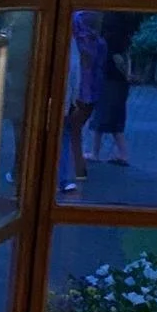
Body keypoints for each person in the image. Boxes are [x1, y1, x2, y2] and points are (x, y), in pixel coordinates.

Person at [59, 10, 106, 188]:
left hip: (77, 94)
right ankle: (78, 171)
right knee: (75, 133)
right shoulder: (100, 43)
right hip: (92, 95)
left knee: (70, 133)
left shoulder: (77, 44)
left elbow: (75, 72)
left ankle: (74, 172)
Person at [88, 11, 141, 166]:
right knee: (114, 117)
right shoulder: (125, 38)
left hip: (110, 80)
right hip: (119, 83)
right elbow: (127, 57)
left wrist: (126, 73)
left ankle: (96, 152)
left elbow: (117, 59)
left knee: (103, 115)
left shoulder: (110, 39)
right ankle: (120, 153)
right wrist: (128, 75)